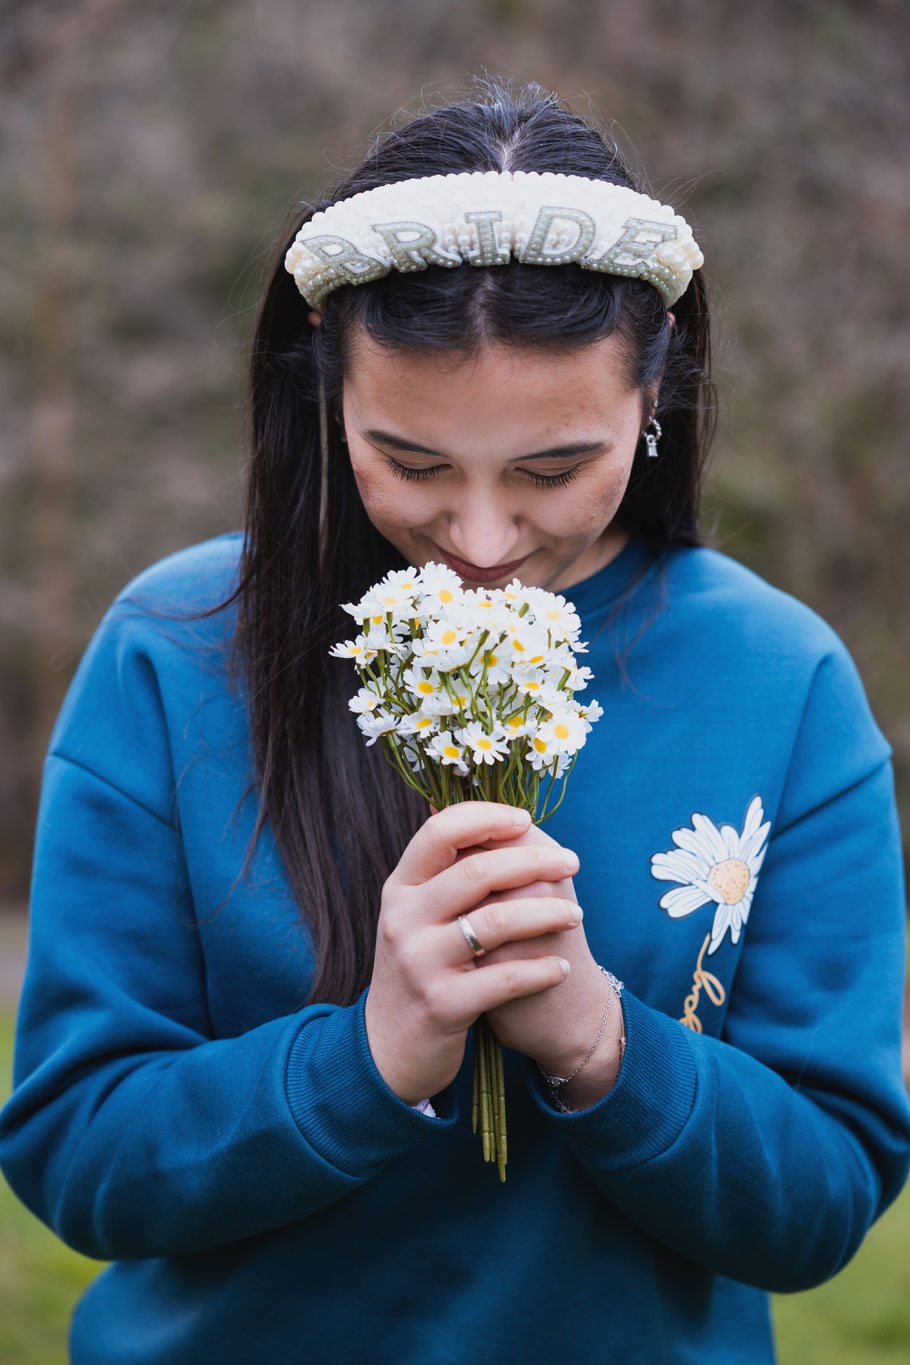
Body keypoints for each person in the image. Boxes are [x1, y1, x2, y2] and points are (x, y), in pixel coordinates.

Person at [1, 79, 908, 1365]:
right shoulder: (178, 646)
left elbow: (821, 1207)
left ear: (655, 402)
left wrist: (603, 1043)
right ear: (324, 396)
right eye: (413, 463)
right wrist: (367, 1058)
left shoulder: (777, 676)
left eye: (553, 469)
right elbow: (77, 1159)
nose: (481, 542)